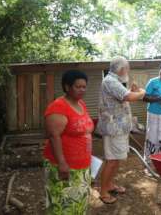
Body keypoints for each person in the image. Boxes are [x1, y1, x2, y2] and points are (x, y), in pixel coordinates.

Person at [43, 70, 94, 214]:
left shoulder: (81, 104)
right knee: (63, 204)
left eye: (84, 86)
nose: (82, 90)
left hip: (82, 165)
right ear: (67, 87)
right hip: (64, 166)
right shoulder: (58, 107)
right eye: (78, 87)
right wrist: (62, 163)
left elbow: (85, 130)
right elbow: (54, 136)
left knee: (79, 202)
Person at [98, 57, 146, 204]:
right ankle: (103, 191)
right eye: (128, 68)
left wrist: (132, 91)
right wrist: (141, 92)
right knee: (111, 160)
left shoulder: (115, 82)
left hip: (119, 128)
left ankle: (110, 184)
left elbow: (123, 96)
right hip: (114, 129)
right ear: (121, 69)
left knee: (116, 159)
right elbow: (129, 97)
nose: (128, 71)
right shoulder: (110, 81)